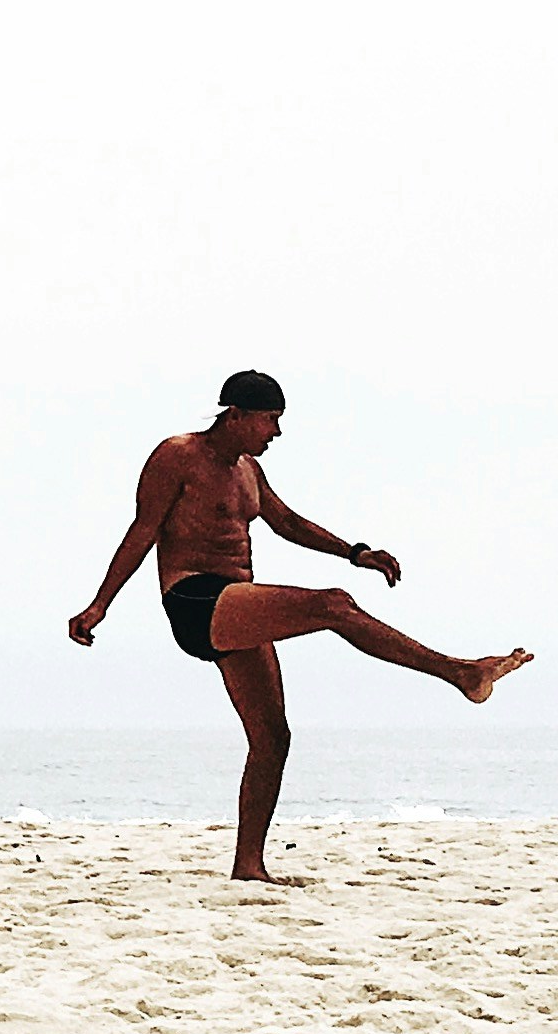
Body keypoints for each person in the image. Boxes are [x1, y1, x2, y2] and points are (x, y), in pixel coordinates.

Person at [68, 371, 529, 881]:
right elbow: (144, 529)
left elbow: (286, 523)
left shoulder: (249, 471)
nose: (277, 434)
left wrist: (355, 552)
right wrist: (99, 605)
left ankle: (249, 866)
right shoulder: (178, 456)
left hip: (239, 607)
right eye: (271, 421)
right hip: (194, 598)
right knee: (333, 606)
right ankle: (459, 672)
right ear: (237, 415)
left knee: (272, 738)